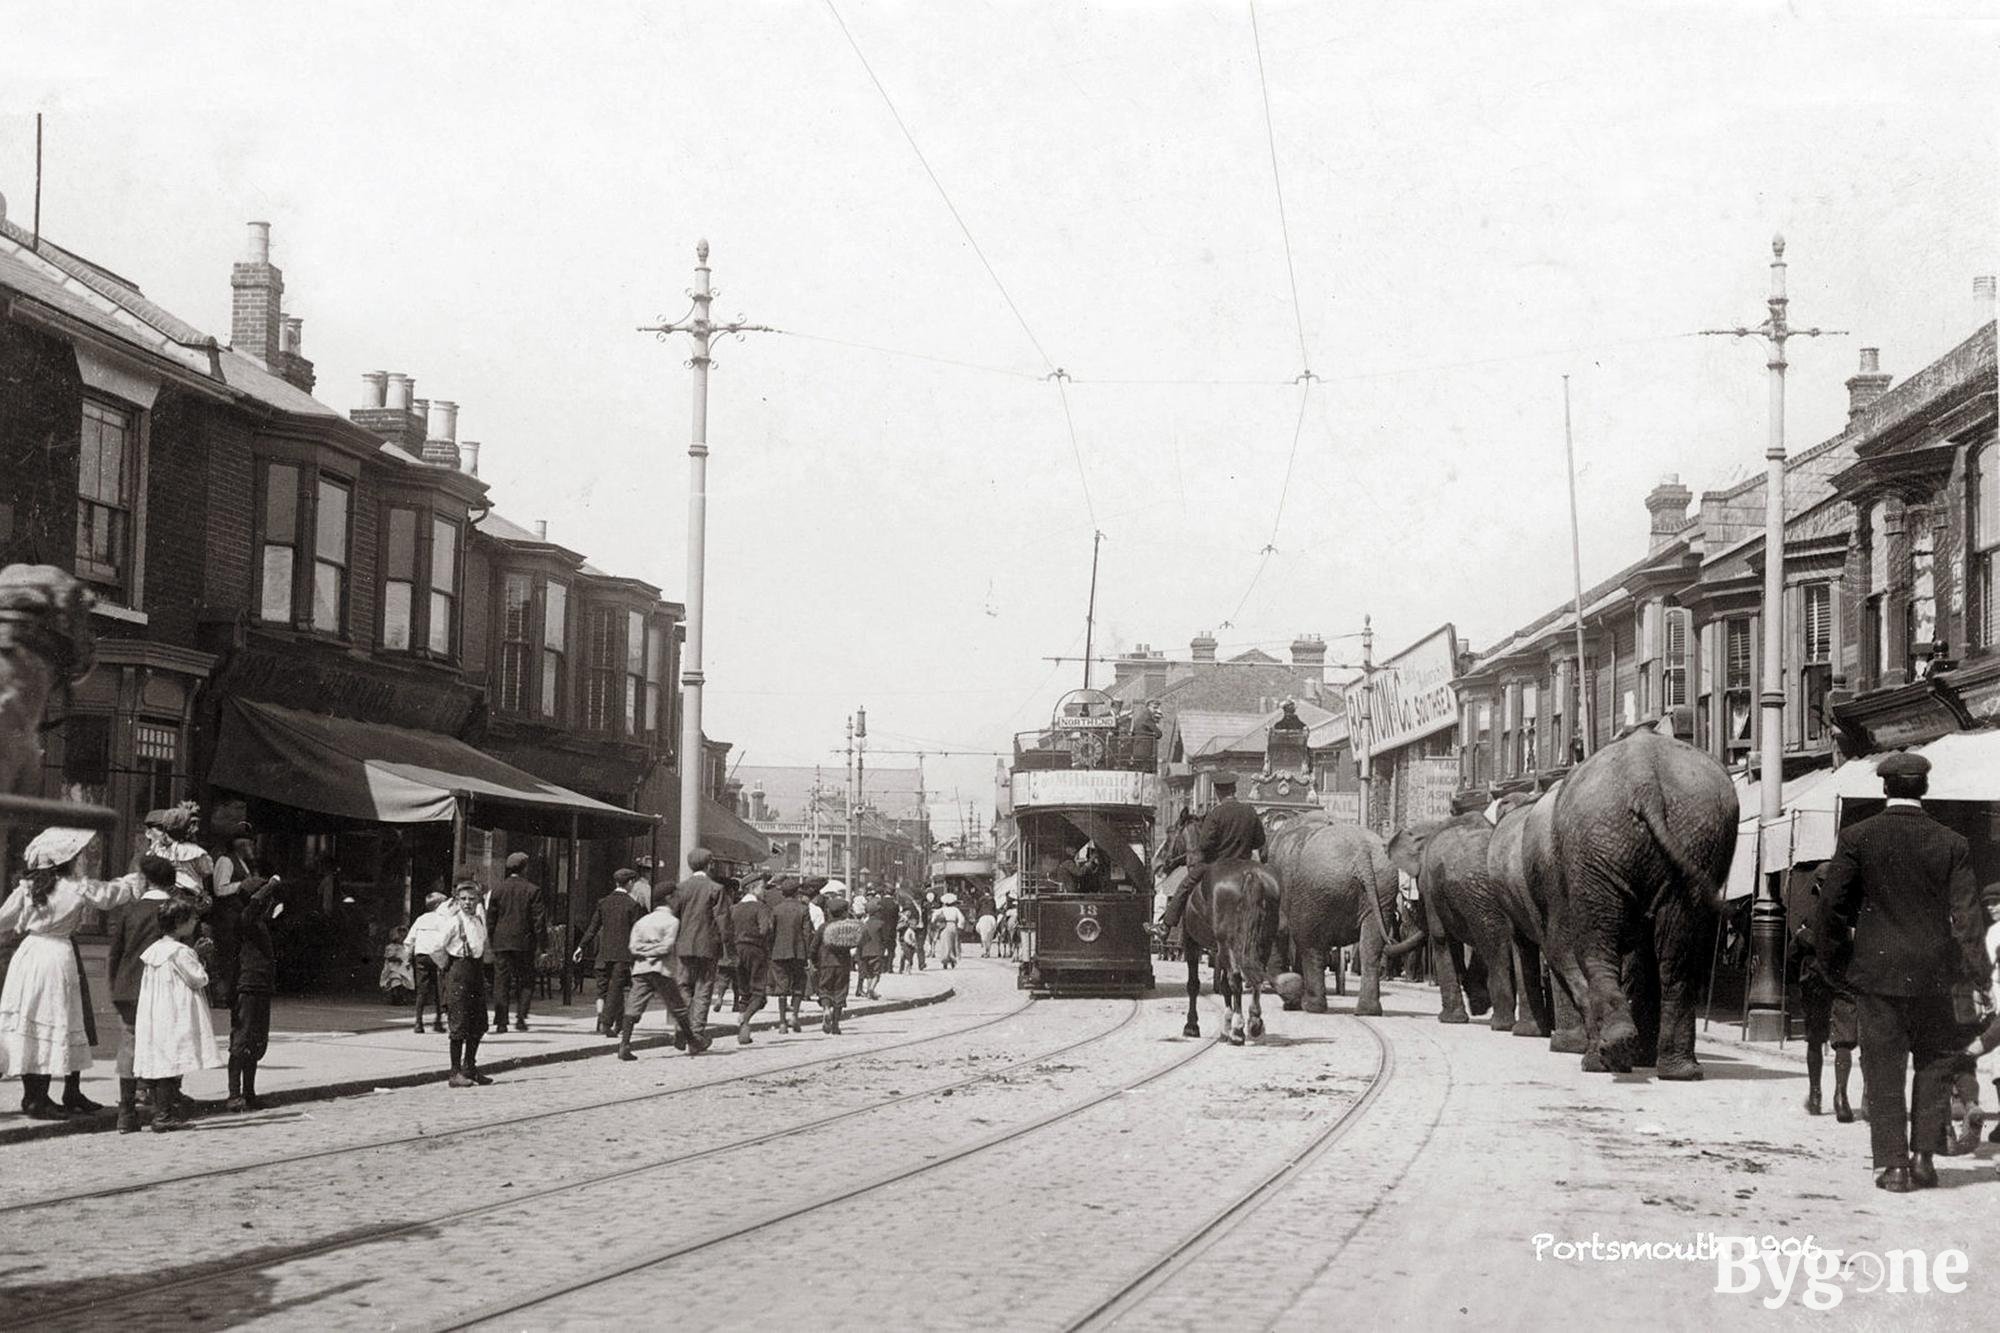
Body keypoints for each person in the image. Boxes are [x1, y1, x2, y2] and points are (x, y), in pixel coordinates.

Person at [1814, 751, 1993, 1193]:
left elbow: (1830, 910)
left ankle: (1894, 1166)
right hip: (1936, 974)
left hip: (1876, 973)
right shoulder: (1953, 844)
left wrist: (1836, 965)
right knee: (1934, 1064)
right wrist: (1981, 975)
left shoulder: (1858, 837)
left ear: (1885, 788)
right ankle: (1924, 1159)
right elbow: (1968, 918)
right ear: (1925, 788)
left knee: (1883, 1067)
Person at [0, 827, 143, 1118]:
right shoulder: (77, 887)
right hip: (56, 957)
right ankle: (39, 1100)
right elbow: (111, 895)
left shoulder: (28, 887)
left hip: (29, 956)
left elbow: (3, 919)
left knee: (33, 1024)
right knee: (52, 1021)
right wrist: (134, 878)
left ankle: (33, 1096)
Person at [133, 897, 222, 1132]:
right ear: (180, 923)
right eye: (192, 919)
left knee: (162, 1059)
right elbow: (198, 978)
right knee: (171, 1063)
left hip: (157, 1011)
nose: (195, 923)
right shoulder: (181, 952)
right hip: (175, 1011)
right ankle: (163, 1115)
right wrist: (201, 957)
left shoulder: (156, 950)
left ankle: (165, 1111)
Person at [105, 855, 177, 1131]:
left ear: (145, 879)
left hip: (128, 988)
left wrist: (115, 986)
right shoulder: (174, 909)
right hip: (161, 989)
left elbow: (116, 953)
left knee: (129, 1047)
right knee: (163, 1046)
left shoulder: (130, 910)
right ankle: (162, 1113)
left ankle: (125, 1114)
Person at [1790, 865, 1859, 1122]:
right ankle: (1841, 1097)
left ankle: (1815, 1094)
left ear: (1818, 886)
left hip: (1814, 980)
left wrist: (1803, 938)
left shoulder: (1808, 913)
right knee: (1844, 1040)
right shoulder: (1850, 912)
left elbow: (1793, 953)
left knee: (1814, 1037)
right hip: (1844, 980)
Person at [1159, 772, 1264, 935]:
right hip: (1245, 865)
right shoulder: (1250, 812)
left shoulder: (1216, 813)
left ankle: (1165, 926)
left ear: (1217, 792)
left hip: (1217, 866)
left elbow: (1204, 845)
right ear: (1234, 789)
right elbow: (1260, 841)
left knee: (1185, 886)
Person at [620, 894, 705, 1058]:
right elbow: (667, 946)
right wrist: (654, 952)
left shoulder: (642, 921)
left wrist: (644, 952)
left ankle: (624, 1044)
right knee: (678, 1006)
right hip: (661, 970)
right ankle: (692, 1040)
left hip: (641, 969)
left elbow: (633, 947)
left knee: (633, 1005)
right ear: (669, 900)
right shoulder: (672, 921)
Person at [226, 868, 281, 1113]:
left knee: (256, 1042)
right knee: (242, 1040)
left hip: (260, 986)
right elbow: (257, 902)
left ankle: (249, 1093)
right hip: (246, 986)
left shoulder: (257, 921)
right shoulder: (245, 917)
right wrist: (272, 883)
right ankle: (234, 1095)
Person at [671, 848, 732, 1048]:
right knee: (703, 990)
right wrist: (728, 948)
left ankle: (681, 1028)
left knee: (683, 988)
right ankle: (696, 1035)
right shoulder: (716, 889)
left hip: (684, 946)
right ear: (709, 865)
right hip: (708, 947)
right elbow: (723, 921)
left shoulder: (681, 888)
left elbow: (674, 917)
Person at [439, 878, 495, 1087]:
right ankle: (455, 1073)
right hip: (458, 974)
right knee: (459, 1024)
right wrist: (448, 970)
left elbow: (483, 947)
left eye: (472, 899)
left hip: (476, 972)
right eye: (463, 899)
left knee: (478, 1023)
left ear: (478, 900)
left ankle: (470, 1068)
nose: (468, 903)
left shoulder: (479, 921)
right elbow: (438, 948)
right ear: (457, 900)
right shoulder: (453, 922)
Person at [576, 870, 644, 1037]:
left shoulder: (603, 902)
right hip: (623, 954)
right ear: (629, 883)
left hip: (604, 952)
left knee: (610, 988)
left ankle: (619, 1022)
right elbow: (637, 931)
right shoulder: (632, 905)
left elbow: (593, 928)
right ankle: (606, 1024)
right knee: (616, 987)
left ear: (616, 883)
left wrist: (581, 947)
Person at [488, 853, 548, 1033]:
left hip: (502, 942)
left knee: (501, 981)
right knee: (526, 980)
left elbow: (490, 918)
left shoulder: (497, 889)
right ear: (525, 868)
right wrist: (543, 946)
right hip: (524, 942)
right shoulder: (532, 890)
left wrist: (492, 940)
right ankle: (521, 1018)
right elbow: (539, 920)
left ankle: (501, 1021)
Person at [729, 879, 774, 1043]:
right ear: (752, 888)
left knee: (744, 991)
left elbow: (727, 930)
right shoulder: (760, 908)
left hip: (737, 950)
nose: (764, 891)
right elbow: (765, 930)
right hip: (756, 950)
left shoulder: (734, 908)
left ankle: (744, 1032)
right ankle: (745, 1019)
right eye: (762, 888)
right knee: (759, 993)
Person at [769, 878, 814, 1034]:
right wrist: (808, 955)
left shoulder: (776, 909)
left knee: (781, 987)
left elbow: (770, 932)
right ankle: (794, 1015)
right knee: (798, 983)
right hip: (798, 952)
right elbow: (807, 934)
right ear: (796, 893)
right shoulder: (803, 909)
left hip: (778, 952)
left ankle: (782, 1023)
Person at [812, 896, 860, 1035]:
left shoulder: (823, 927)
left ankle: (826, 1009)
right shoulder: (847, 928)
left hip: (825, 964)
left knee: (825, 989)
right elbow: (855, 943)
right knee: (840, 992)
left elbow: (814, 947)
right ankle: (836, 1025)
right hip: (843, 965)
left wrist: (814, 960)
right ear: (844, 913)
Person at [404, 892, 451, 1034]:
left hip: (421, 955)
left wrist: (407, 957)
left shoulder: (420, 919)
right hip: (437, 957)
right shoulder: (444, 919)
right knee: (439, 989)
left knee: (422, 990)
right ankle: (438, 1022)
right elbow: (447, 938)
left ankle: (418, 1022)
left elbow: (410, 939)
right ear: (438, 905)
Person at [931, 894, 966, 969]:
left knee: (945, 943)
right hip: (953, 925)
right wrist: (960, 927)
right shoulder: (956, 910)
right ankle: (953, 959)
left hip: (944, 926)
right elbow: (961, 919)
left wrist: (934, 923)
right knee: (953, 943)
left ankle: (945, 960)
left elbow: (934, 916)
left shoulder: (942, 909)